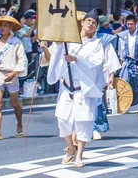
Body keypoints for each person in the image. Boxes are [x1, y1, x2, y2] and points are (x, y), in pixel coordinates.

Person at [47, 10, 104, 168]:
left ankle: (79, 155)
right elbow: (57, 57)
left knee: (83, 122)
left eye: (94, 22)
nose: (90, 24)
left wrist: (76, 59)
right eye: (89, 21)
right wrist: (59, 46)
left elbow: (96, 63)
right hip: (67, 85)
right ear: (82, 22)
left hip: (83, 88)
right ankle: (71, 148)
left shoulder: (96, 44)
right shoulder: (70, 40)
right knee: (63, 120)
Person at [0, 16, 27, 140]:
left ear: (10, 27)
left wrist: (15, 72)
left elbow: (22, 59)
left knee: (15, 103)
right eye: (1, 25)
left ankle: (19, 125)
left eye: (5, 25)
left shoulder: (16, 42)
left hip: (11, 74)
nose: (3, 28)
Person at [93, 13, 121, 141]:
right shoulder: (78, 39)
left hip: (98, 74)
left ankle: (96, 128)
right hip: (81, 76)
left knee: (97, 102)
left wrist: (111, 74)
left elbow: (110, 57)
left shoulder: (103, 39)